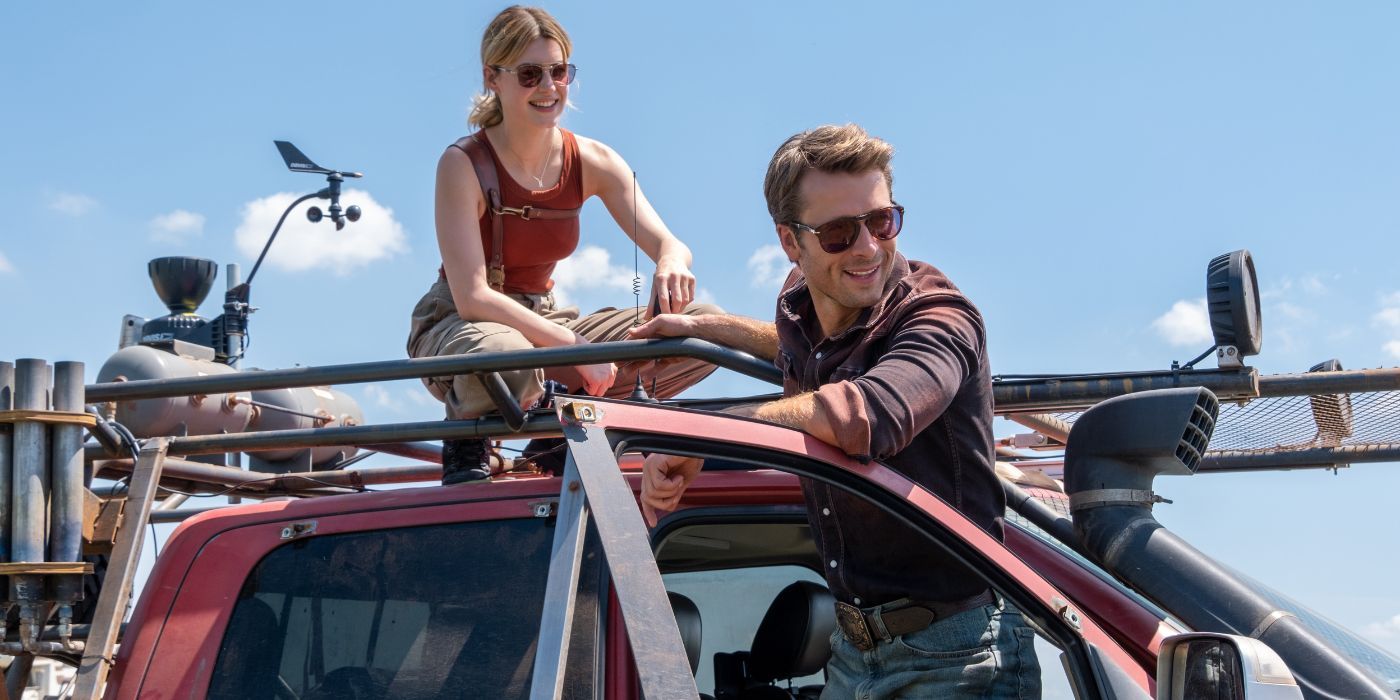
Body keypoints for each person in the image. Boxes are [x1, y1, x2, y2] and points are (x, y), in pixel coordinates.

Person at [633, 124, 1041, 698]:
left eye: (882, 222)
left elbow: (867, 414)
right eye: (839, 233)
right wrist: (708, 327)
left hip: (958, 656)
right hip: (850, 655)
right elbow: (800, 351)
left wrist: (703, 438)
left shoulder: (940, 318)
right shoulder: (803, 303)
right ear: (790, 242)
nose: (868, 248)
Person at [408, 6, 718, 484]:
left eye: (559, 71)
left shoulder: (592, 159)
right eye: (530, 74)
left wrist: (671, 261)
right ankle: (467, 434)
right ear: (494, 77)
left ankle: (550, 442)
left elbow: (667, 242)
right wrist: (576, 349)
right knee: (506, 353)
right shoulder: (462, 164)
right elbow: (474, 298)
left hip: (547, 318)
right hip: (461, 323)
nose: (549, 87)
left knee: (704, 331)